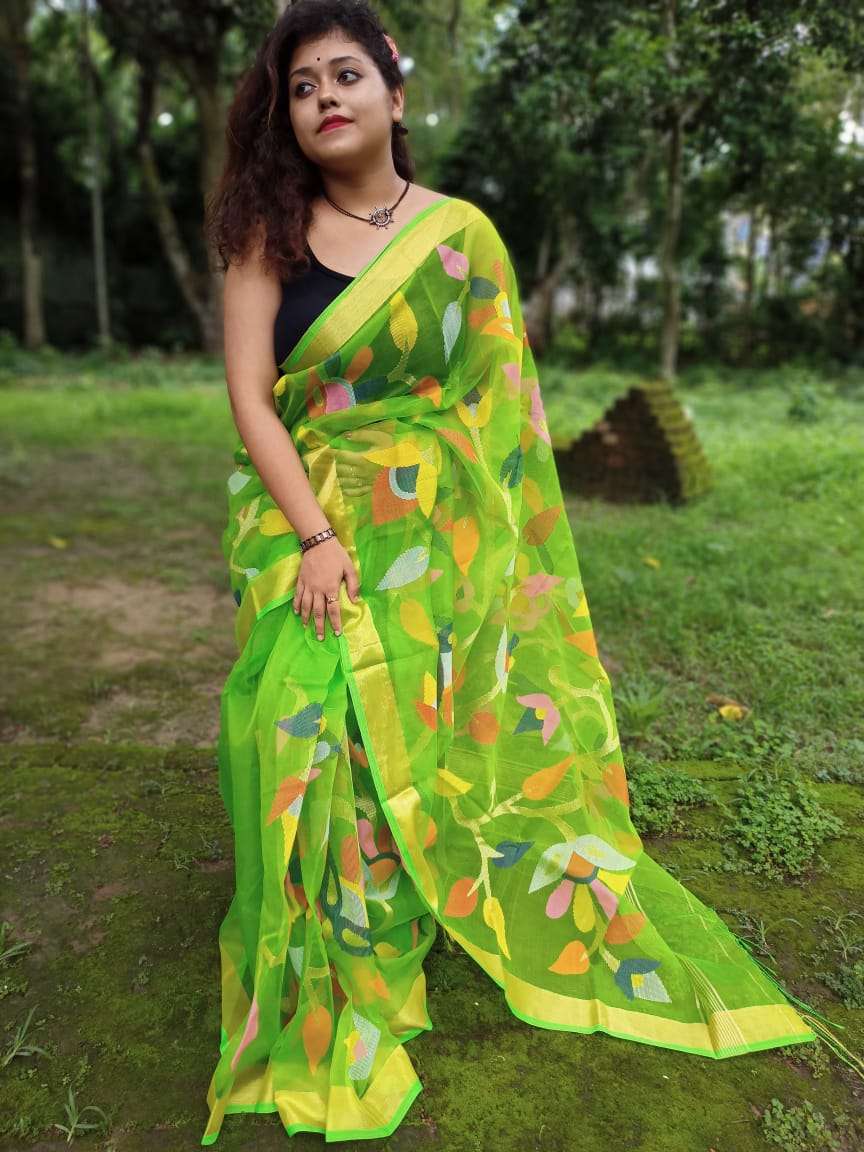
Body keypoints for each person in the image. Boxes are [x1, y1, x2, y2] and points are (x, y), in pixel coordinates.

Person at [199, 1, 851, 1145]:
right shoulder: (269, 233)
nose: (324, 98)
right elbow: (253, 399)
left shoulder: (461, 237)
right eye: (301, 86)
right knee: (310, 712)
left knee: (433, 709)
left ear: (395, 94)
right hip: (311, 519)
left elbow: (499, 404)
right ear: (285, 116)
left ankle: (424, 861)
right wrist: (315, 539)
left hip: (441, 520)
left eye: (345, 74)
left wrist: (487, 537)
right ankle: (342, 919)